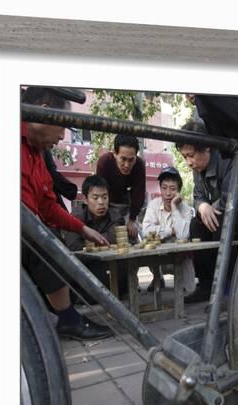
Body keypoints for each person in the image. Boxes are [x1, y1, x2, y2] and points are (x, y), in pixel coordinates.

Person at [21, 86, 112, 340]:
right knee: (40, 238)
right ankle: (65, 317)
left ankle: (65, 316)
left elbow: (48, 205)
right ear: (44, 113)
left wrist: (82, 228)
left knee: (47, 236)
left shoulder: (37, 155)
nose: (62, 137)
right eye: (63, 127)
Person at [175, 120, 238, 303]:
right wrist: (202, 206)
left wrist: (210, 207)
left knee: (221, 224)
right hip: (224, 211)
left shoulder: (229, 158)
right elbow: (198, 196)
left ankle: (229, 288)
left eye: (191, 155)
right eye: (185, 157)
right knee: (196, 225)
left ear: (207, 148)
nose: (189, 162)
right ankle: (206, 286)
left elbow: (232, 200)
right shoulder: (197, 167)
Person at [64, 175, 128, 299]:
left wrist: (88, 243)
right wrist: (103, 243)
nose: (101, 202)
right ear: (85, 199)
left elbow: (115, 239)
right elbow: (74, 248)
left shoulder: (116, 216)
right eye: (95, 197)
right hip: (86, 273)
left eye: (105, 197)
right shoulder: (75, 218)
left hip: (111, 271)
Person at [142, 166, 196, 294]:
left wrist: (174, 208)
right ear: (160, 188)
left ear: (178, 191)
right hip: (159, 258)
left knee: (190, 291)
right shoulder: (153, 204)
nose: (167, 193)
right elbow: (146, 231)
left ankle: (184, 282)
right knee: (148, 247)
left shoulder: (186, 209)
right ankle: (158, 278)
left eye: (172, 189)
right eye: (164, 188)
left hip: (180, 259)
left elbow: (182, 236)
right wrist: (170, 231)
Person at [96, 134, 146, 241]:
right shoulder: (105, 162)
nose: (127, 165)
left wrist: (132, 220)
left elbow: (139, 194)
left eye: (131, 160)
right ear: (115, 154)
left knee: (132, 235)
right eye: (123, 159)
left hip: (127, 205)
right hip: (107, 204)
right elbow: (100, 191)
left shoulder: (139, 165)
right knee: (111, 235)